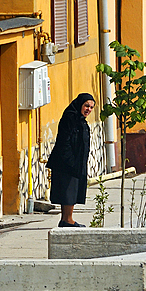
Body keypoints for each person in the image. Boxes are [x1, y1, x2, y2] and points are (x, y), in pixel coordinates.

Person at [47, 92, 94, 227]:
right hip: (66, 162)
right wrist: (71, 161)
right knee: (68, 191)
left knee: (72, 190)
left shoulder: (79, 120)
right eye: (86, 106)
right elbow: (64, 141)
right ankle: (67, 219)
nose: (88, 110)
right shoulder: (70, 118)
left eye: (91, 107)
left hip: (75, 162)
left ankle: (66, 219)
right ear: (80, 104)